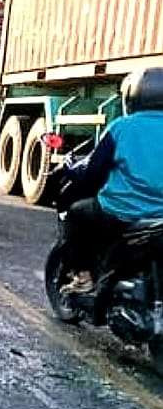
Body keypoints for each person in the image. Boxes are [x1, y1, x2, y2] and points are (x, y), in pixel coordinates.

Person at [56, 66, 163, 295]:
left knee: (76, 213)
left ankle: (83, 277)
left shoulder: (122, 128)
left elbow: (92, 172)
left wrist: (73, 172)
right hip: (160, 219)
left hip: (123, 212)